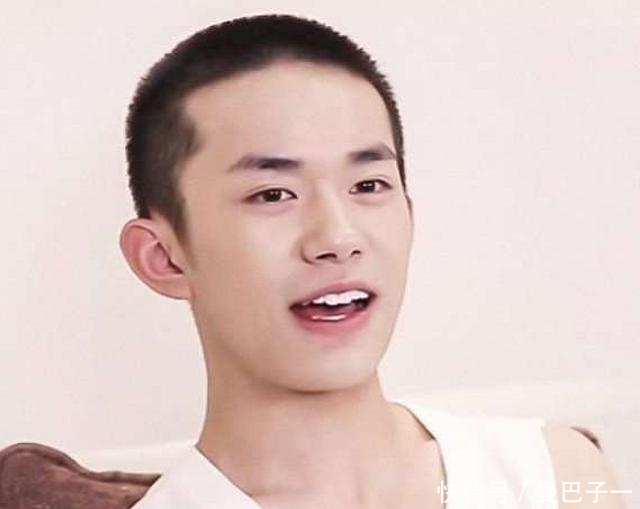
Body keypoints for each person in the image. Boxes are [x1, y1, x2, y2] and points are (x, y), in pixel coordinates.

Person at [119, 13, 624, 509]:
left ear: (409, 214)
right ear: (164, 258)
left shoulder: (554, 474)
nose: (338, 238)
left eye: (367, 185)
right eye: (273, 194)